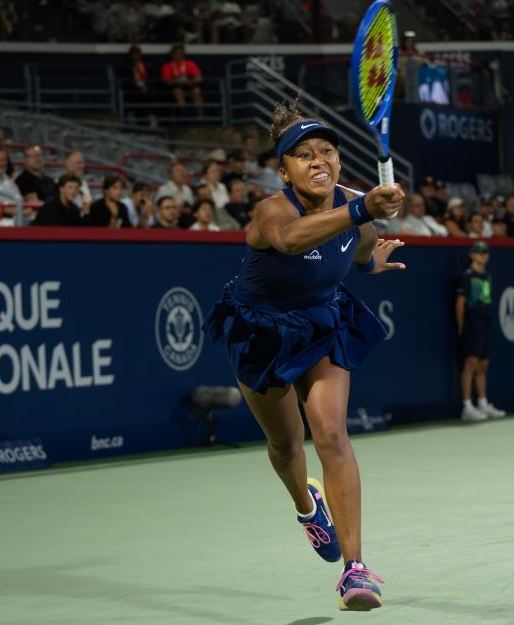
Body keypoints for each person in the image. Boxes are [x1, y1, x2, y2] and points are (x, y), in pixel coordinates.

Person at [201, 102, 403, 611]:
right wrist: (363, 209)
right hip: (262, 330)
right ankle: (307, 506)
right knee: (287, 444)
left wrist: (372, 264)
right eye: (304, 154)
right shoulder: (272, 211)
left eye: (327, 151)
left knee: (332, 433)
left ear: (339, 160)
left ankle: (355, 570)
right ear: (285, 170)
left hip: (321, 321)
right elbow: (291, 241)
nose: (318, 161)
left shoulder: (356, 211)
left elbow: (360, 249)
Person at [455, 241, 507, 422]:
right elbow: (460, 303)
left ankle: (483, 402)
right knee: (471, 363)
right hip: (472, 325)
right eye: (480, 252)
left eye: (486, 252)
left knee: (483, 365)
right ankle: (467, 406)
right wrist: (461, 326)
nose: (483, 255)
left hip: (485, 325)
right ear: (472, 255)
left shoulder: (487, 276)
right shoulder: (466, 276)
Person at [161, 43, 204, 118]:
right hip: (176, 88)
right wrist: (179, 81)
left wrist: (190, 81)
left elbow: (199, 78)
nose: (180, 56)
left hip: (190, 87)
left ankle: (201, 117)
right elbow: (167, 81)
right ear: (172, 55)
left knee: (197, 91)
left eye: (181, 54)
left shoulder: (190, 63)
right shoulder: (167, 66)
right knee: (178, 91)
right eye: (177, 54)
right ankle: (184, 115)